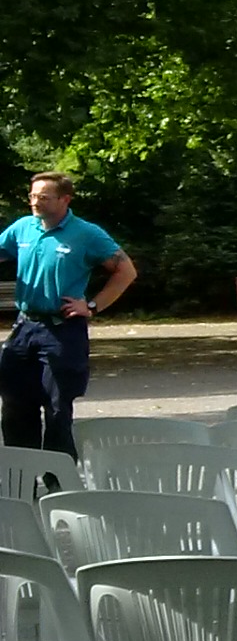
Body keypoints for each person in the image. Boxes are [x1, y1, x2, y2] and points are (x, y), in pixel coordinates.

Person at [2, 172, 137, 457]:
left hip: (63, 331)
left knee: (57, 409)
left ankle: (56, 483)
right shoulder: (23, 228)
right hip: (25, 328)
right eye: (32, 196)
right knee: (14, 405)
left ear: (65, 199)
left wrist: (90, 306)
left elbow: (126, 271)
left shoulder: (87, 234)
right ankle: (22, 479)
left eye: (43, 197)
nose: (35, 202)